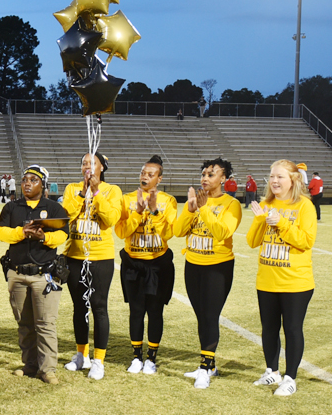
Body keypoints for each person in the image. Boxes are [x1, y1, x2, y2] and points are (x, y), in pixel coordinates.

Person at [246, 160, 317, 396]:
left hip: (295, 282)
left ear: (293, 180)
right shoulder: (266, 204)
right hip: (266, 279)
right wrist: (261, 219)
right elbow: (252, 241)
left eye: (280, 177)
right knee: (269, 328)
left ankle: (291, 377)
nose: (274, 181)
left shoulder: (305, 206)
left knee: (293, 329)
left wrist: (281, 223)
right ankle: (272, 372)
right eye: (272, 177)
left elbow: (306, 241)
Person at [173, 157, 242, 389]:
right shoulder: (195, 201)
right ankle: (209, 365)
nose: (205, 178)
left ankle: (205, 368)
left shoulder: (231, 204)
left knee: (210, 315)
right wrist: (191, 209)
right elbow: (178, 230)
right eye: (203, 174)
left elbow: (222, 232)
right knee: (201, 316)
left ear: (224, 178)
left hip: (217, 267)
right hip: (192, 264)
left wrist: (204, 209)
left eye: (211, 174)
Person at [0, 165, 68, 385]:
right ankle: (30, 365)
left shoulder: (54, 208)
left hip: (43, 275)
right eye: (25, 179)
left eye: (33, 180)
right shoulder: (12, 207)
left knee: (45, 324)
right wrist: (22, 232)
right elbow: (1, 232)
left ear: (43, 185)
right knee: (24, 323)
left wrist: (42, 237)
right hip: (17, 274)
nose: (27, 183)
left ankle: (48, 369)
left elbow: (62, 235)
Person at [62, 152, 123, 380]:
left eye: (92, 163)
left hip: (101, 257)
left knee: (99, 307)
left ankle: (98, 360)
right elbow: (67, 214)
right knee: (79, 307)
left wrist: (96, 192)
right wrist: (83, 192)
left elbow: (110, 219)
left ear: (102, 168)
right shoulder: (71, 189)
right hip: (75, 256)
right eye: (84, 163)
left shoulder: (112, 190)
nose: (87, 166)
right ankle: (81, 355)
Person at [116, 156, 176, 375]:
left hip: (158, 265)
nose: (145, 177)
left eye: (151, 175)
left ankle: (151, 358)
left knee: (155, 311)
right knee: (136, 311)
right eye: (143, 173)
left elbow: (170, 233)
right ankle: (136, 357)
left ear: (159, 179)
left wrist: (154, 211)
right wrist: (138, 213)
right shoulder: (126, 199)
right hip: (133, 263)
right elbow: (121, 232)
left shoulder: (168, 201)